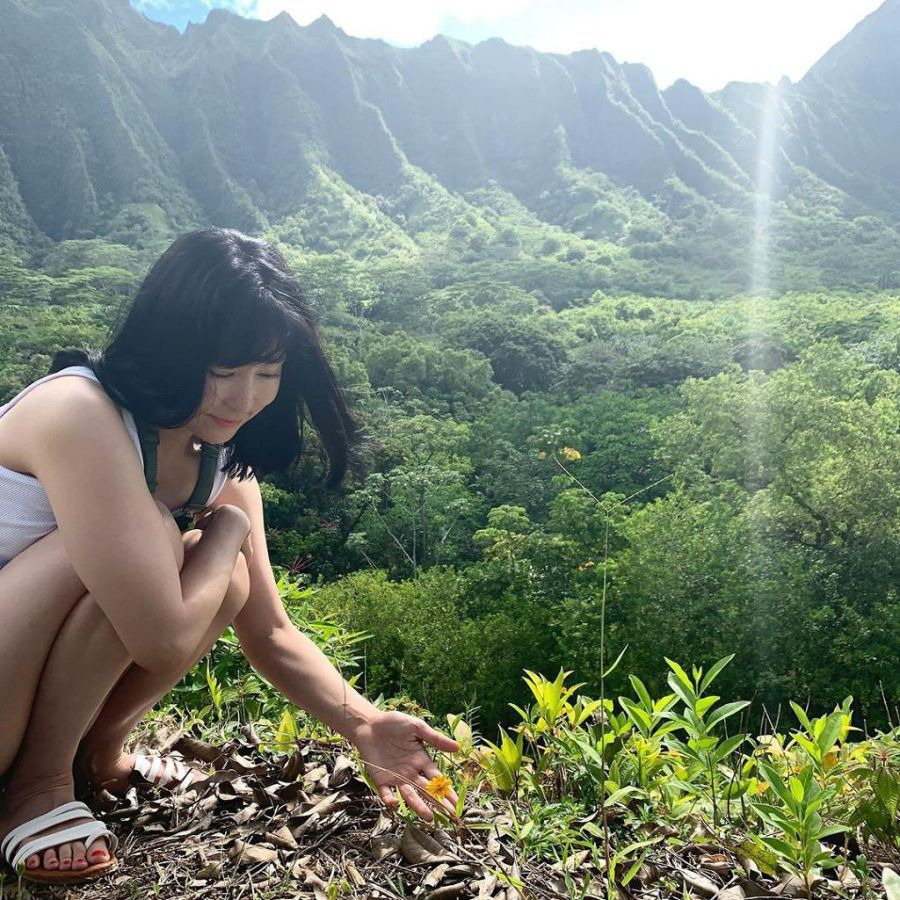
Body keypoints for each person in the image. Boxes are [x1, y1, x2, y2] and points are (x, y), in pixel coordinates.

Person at [0, 228, 458, 885]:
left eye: (266, 374)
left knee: (224, 574)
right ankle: (38, 786)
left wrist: (363, 724)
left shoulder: (216, 463)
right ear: (169, 348)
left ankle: (97, 757)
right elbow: (162, 639)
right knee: (166, 543)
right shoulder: (79, 411)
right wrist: (224, 533)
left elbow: (270, 632)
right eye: (222, 372)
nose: (244, 400)